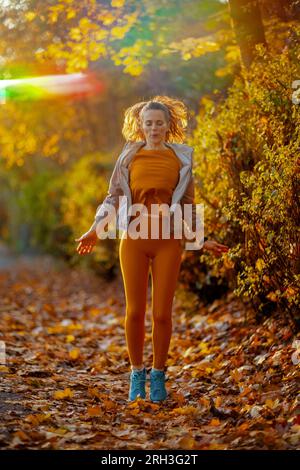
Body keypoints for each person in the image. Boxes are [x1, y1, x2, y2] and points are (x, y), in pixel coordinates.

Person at [75, 95, 229, 403]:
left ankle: (158, 375)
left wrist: (200, 240)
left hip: (168, 241)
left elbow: (186, 204)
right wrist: (96, 228)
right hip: (133, 238)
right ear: (140, 125)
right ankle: (136, 374)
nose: (154, 128)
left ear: (168, 125)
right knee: (135, 311)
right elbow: (114, 197)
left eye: (159, 123)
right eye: (148, 123)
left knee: (161, 313)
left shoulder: (181, 159)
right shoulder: (129, 157)